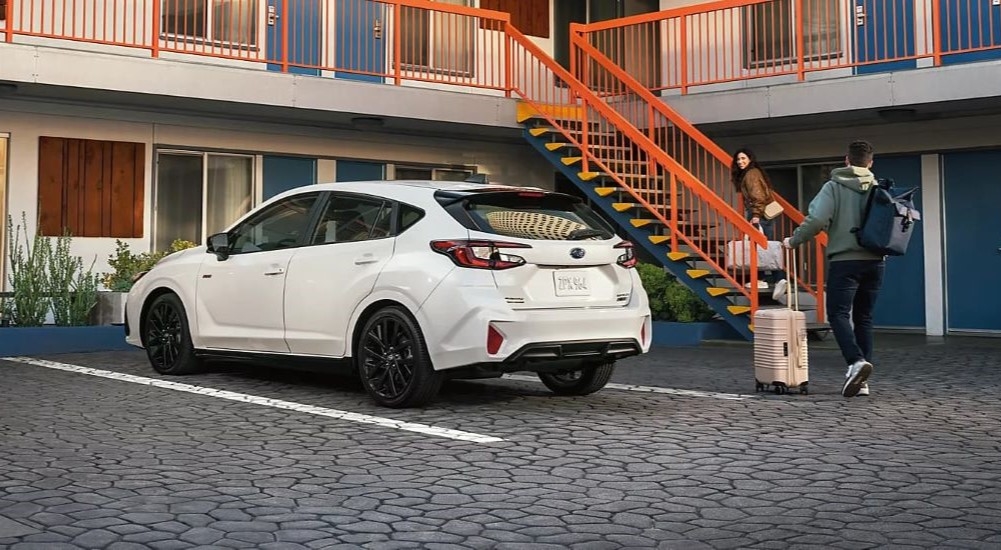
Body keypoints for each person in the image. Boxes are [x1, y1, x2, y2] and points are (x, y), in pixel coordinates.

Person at [782, 140, 883, 398]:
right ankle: (862, 381)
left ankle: (856, 362)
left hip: (845, 260)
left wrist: (794, 241)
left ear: (846, 160)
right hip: (875, 261)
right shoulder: (878, 188)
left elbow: (816, 219)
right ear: (870, 163)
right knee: (864, 317)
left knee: (838, 314)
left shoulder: (834, 187)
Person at [730, 148, 788, 301]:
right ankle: (762, 279)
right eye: (738, 159)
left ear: (750, 159)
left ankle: (779, 278)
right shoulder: (752, 173)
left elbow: (758, 196)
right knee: (762, 246)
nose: (740, 162)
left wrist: (755, 215)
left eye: (743, 158)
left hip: (759, 214)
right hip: (762, 213)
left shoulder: (751, 174)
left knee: (763, 248)